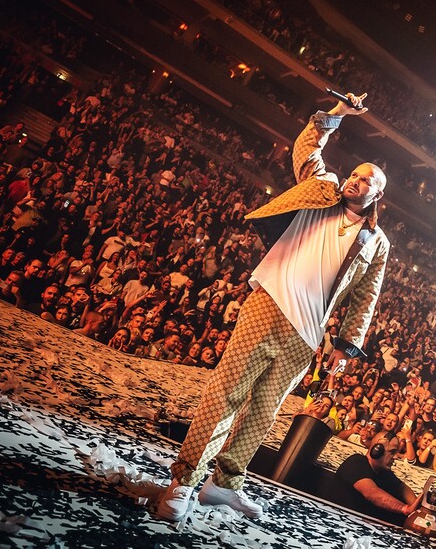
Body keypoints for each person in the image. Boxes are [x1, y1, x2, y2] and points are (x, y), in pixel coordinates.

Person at [155, 94, 392, 522]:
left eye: (366, 179)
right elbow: (307, 150)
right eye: (354, 173)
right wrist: (336, 116)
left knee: (263, 412)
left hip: (306, 335)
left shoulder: (376, 243)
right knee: (225, 395)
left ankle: (222, 485)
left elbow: (365, 298)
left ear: (378, 195)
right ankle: (184, 482)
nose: (355, 180)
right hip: (269, 304)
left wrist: (346, 346)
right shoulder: (322, 189)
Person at [335, 430, 422, 525]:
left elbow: (403, 488)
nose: (395, 457)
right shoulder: (356, 463)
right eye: (392, 452)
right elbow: (371, 492)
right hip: (343, 523)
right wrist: (405, 509)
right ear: (377, 450)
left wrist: (418, 511)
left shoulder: (384, 472)